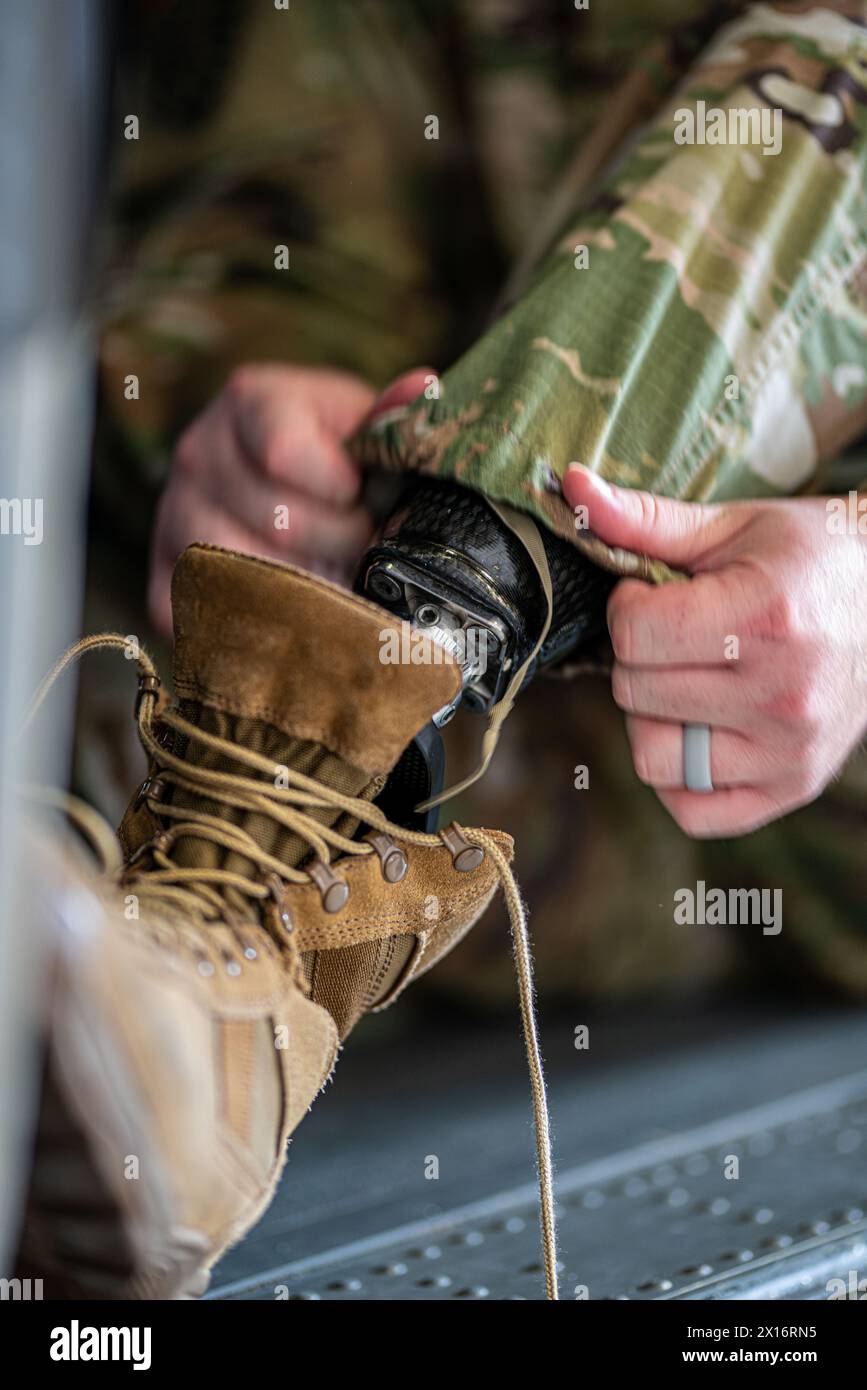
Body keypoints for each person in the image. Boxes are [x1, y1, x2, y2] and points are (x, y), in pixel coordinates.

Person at [92, 0, 867, 1005]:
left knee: (823, 66)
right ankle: (198, 1005)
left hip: (832, 784)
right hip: (543, 781)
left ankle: (462, 585)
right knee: (60, 727)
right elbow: (298, 195)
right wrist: (281, 423)